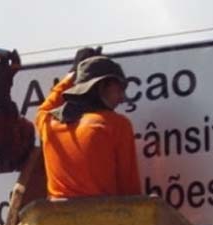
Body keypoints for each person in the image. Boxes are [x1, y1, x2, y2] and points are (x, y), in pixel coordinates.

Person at [35, 49, 142, 198]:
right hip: (104, 218)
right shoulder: (117, 125)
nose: (122, 98)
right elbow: (130, 189)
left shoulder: (48, 123)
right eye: (119, 89)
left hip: (55, 218)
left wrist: (71, 75)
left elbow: (45, 107)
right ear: (100, 86)